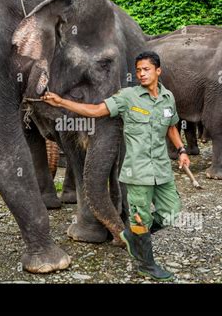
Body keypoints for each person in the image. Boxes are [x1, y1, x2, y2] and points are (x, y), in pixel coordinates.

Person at [42, 51, 190, 280]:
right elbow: (96, 110)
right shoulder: (127, 97)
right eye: (138, 70)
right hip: (137, 172)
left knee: (171, 212)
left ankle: (132, 236)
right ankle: (146, 264)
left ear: (158, 71)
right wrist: (61, 102)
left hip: (162, 169)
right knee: (141, 217)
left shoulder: (167, 97)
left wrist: (181, 150)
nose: (141, 74)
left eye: (146, 70)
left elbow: (171, 126)